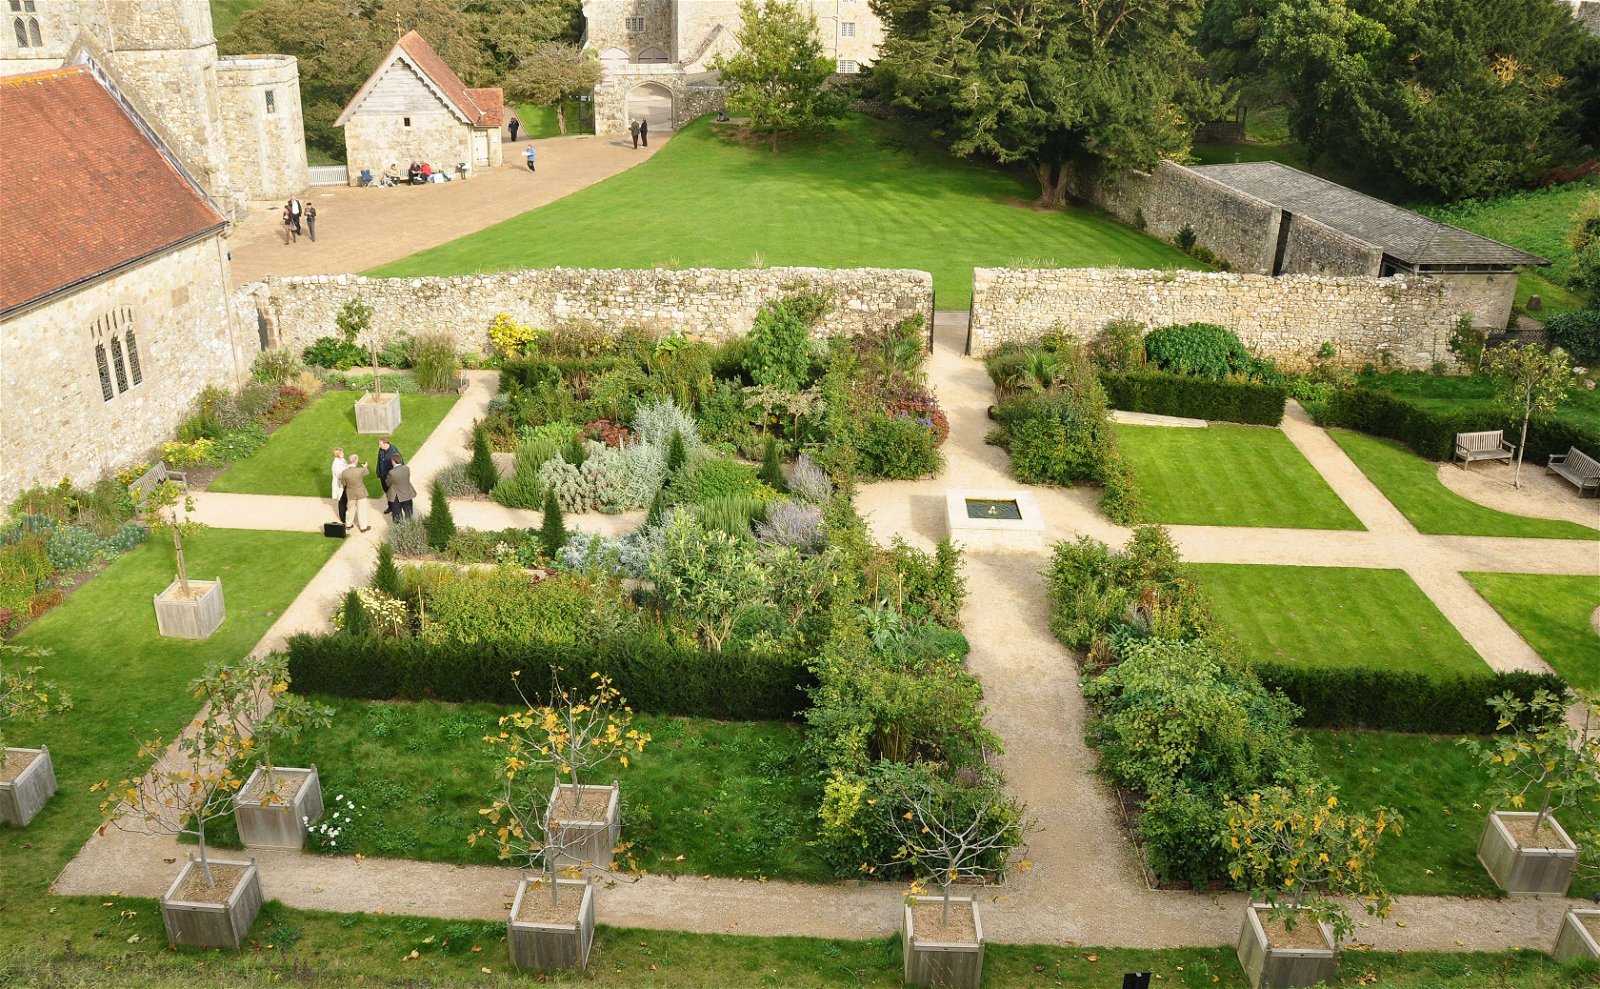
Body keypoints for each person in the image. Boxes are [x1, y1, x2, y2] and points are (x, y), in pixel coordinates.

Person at [341, 455, 371, 531]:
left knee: (350, 509)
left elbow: (343, 483)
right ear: (355, 461)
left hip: (350, 493)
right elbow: (367, 472)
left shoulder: (344, 472)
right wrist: (365, 467)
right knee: (362, 510)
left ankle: (348, 524)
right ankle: (363, 527)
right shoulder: (360, 470)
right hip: (361, 493)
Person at [385, 454, 417, 519]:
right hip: (407, 493)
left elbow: (388, 483)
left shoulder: (392, 472)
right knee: (409, 513)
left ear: (394, 461)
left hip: (396, 497)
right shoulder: (406, 468)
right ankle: (409, 526)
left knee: (397, 515)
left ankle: (400, 528)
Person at [377, 437, 401, 513]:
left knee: (394, 495)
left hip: (391, 478)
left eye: (380, 444)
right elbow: (379, 462)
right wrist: (378, 473)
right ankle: (390, 506)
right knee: (387, 492)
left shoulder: (394, 452)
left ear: (385, 443)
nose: (379, 445)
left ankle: (396, 509)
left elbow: (400, 466)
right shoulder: (381, 450)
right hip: (383, 477)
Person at [330, 447, 346, 521]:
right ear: (338, 454)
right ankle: (342, 518)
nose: (343, 453)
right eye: (341, 452)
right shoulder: (335, 463)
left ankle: (345, 515)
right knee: (342, 501)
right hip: (340, 484)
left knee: (344, 499)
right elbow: (339, 475)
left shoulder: (342, 460)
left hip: (344, 482)